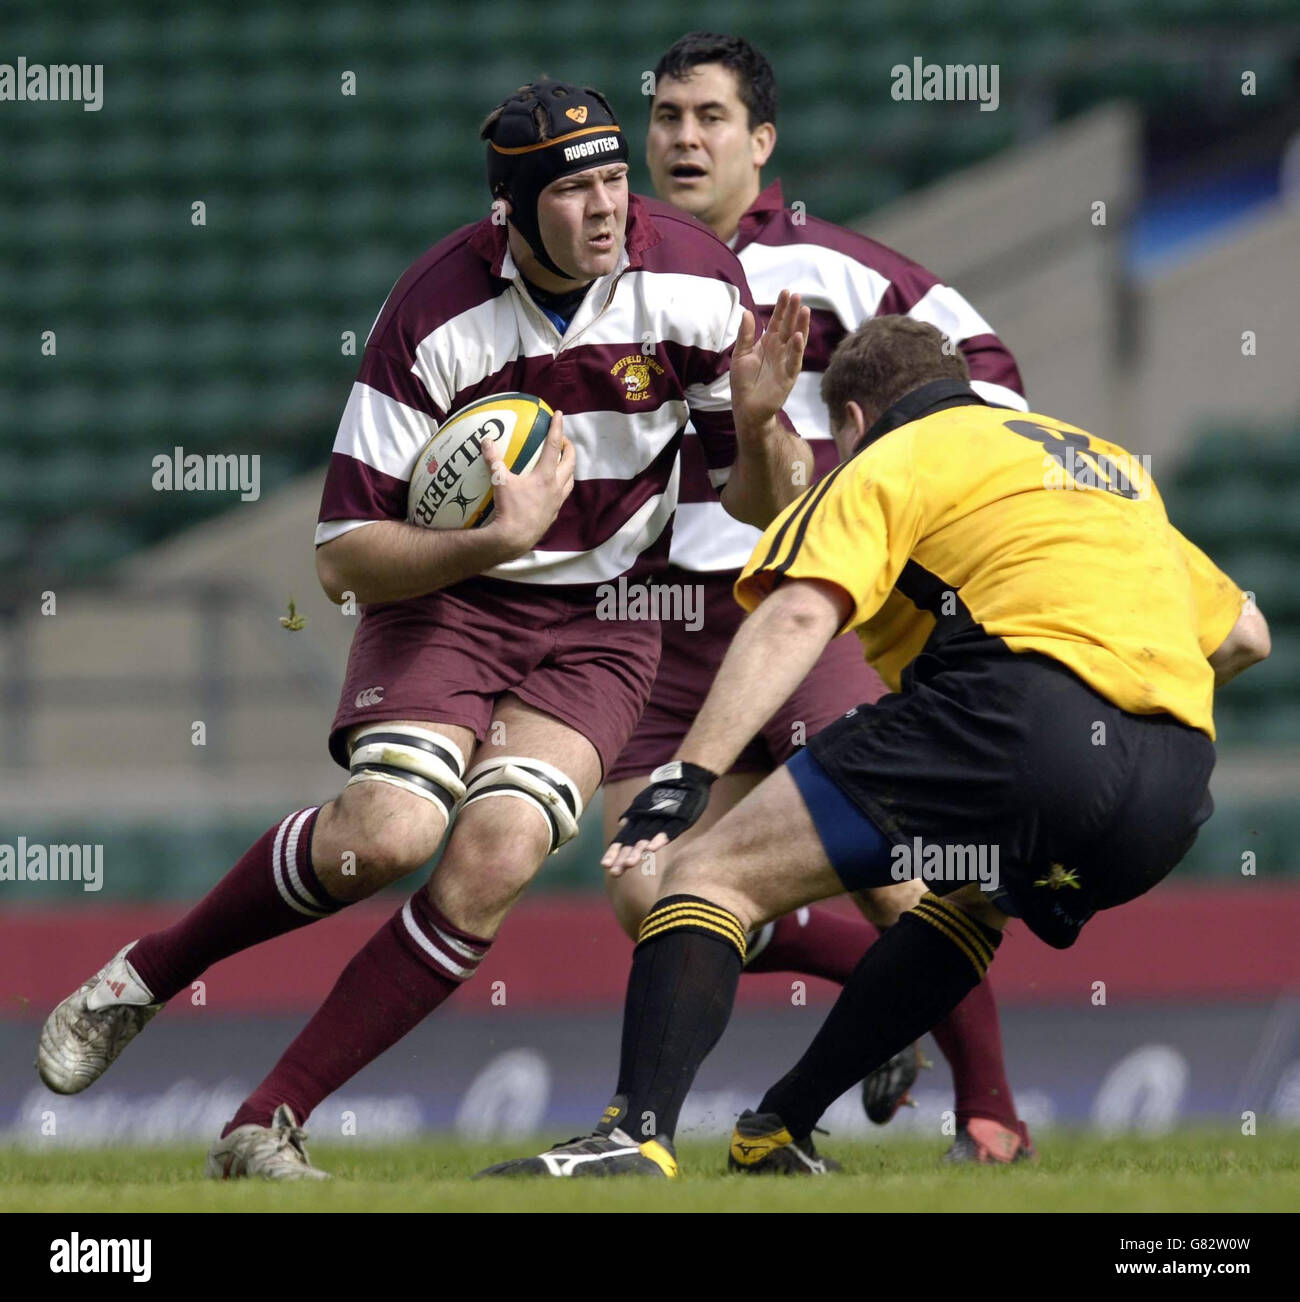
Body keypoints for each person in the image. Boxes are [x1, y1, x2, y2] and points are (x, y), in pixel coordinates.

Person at [36, 77, 814, 1180]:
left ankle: (264, 1122)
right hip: (447, 598)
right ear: (512, 207)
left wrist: (760, 422)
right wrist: (488, 544)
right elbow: (345, 555)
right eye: (575, 191)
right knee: (387, 837)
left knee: (497, 854)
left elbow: (760, 502)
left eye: (613, 181)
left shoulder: (690, 278)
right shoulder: (434, 312)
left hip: (603, 619)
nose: (607, 210)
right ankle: (147, 974)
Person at [481, 315, 1268, 1178]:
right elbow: (1245, 639)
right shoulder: (1105, 465)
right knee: (967, 906)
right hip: (1172, 789)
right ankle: (779, 1126)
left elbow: (799, 612)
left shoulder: (893, 458)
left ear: (851, 422)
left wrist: (692, 771)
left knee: (708, 873)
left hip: (1012, 717)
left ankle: (632, 1137)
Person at [603, 31, 1032, 1161]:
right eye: (665, 117)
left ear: (762, 140)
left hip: (800, 605)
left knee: (892, 877)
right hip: (660, 619)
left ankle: (991, 1115)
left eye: (708, 118)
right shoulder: (614, 272)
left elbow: (987, 379)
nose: (683, 138)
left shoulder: (836, 267)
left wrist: (867, 503)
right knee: (649, 892)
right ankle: (871, 1026)